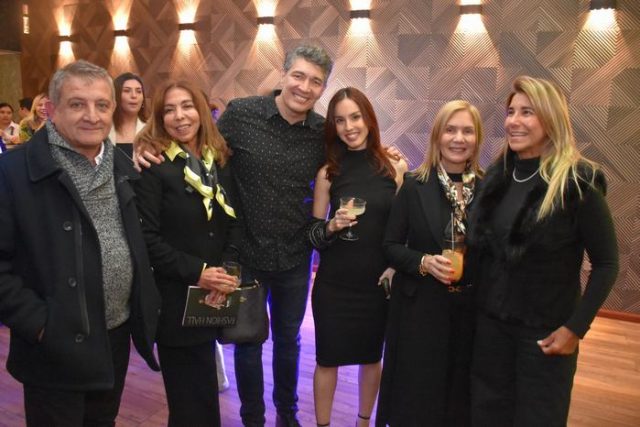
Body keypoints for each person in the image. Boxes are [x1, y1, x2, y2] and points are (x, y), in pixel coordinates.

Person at [0, 59, 160, 426]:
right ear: (51, 109)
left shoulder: (125, 168)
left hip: (114, 336)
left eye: (102, 105)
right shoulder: (13, 173)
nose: (92, 116)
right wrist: (40, 324)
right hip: (53, 344)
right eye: (77, 104)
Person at [468, 76, 619, 426]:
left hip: (544, 336)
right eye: (510, 112)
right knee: (487, 416)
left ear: (550, 119)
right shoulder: (497, 177)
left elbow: (607, 264)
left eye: (527, 112)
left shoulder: (577, 182)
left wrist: (575, 329)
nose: (514, 121)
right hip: (491, 331)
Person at [134, 79, 242, 426]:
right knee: (185, 402)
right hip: (175, 299)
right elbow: (147, 240)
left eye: (187, 106)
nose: (179, 116)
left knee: (206, 394)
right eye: (169, 110)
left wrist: (225, 271)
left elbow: (233, 221)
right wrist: (198, 272)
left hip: (213, 295)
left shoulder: (219, 160)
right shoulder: (154, 166)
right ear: (159, 117)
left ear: (202, 111)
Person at [376, 100, 485, 427]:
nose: (458, 138)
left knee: (459, 396)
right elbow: (390, 246)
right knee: (419, 396)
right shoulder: (414, 185)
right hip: (420, 311)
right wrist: (423, 261)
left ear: (477, 138)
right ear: (437, 136)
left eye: (467, 131)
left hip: (471, 312)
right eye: (450, 130)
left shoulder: (488, 188)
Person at [309, 87, 407, 427]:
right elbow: (313, 234)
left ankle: (363, 422)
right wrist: (331, 226)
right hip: (334, 285)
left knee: (371, 357)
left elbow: (405, 228)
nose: (349, 127)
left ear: (368, 119)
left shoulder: (395, 167)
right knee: (327, 359)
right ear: (333, 126)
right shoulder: (328, 172)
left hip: (376, 285)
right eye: (340, 120)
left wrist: (395, 265)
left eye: (355, 117)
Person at [109, 72, 147, 157]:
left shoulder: (150, 131)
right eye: (127, 91)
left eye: (138, 91)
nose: (134, 96)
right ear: (116, 96)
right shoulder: (104, 129)